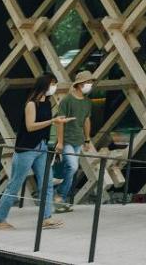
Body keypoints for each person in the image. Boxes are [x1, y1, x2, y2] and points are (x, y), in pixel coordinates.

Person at [0, 73, 72, 230]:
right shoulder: (31, 104)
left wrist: (57, 125)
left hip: (42, 147)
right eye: (52, 84)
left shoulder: (47, 103)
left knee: (47, 183)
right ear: (44, 85)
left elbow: (45, 125)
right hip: (26, 149)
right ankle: (0, 219)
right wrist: (52, 121)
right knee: (15, 184)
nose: (54, 87)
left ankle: (46, 218)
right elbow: (30, 126)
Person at [53, 72, 94, 212]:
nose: (90, 85)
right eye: (88, 82)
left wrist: (87, 139)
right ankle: (59, 194)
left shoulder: (87, 102)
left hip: (78, 140)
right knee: (72, 167)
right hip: (67, 140)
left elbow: (87, 120)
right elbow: (60, 122)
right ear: (80, 84)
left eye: (91, 82)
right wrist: (60, 142)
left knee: (69, 169)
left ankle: (60, 200)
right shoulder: (67, 101)